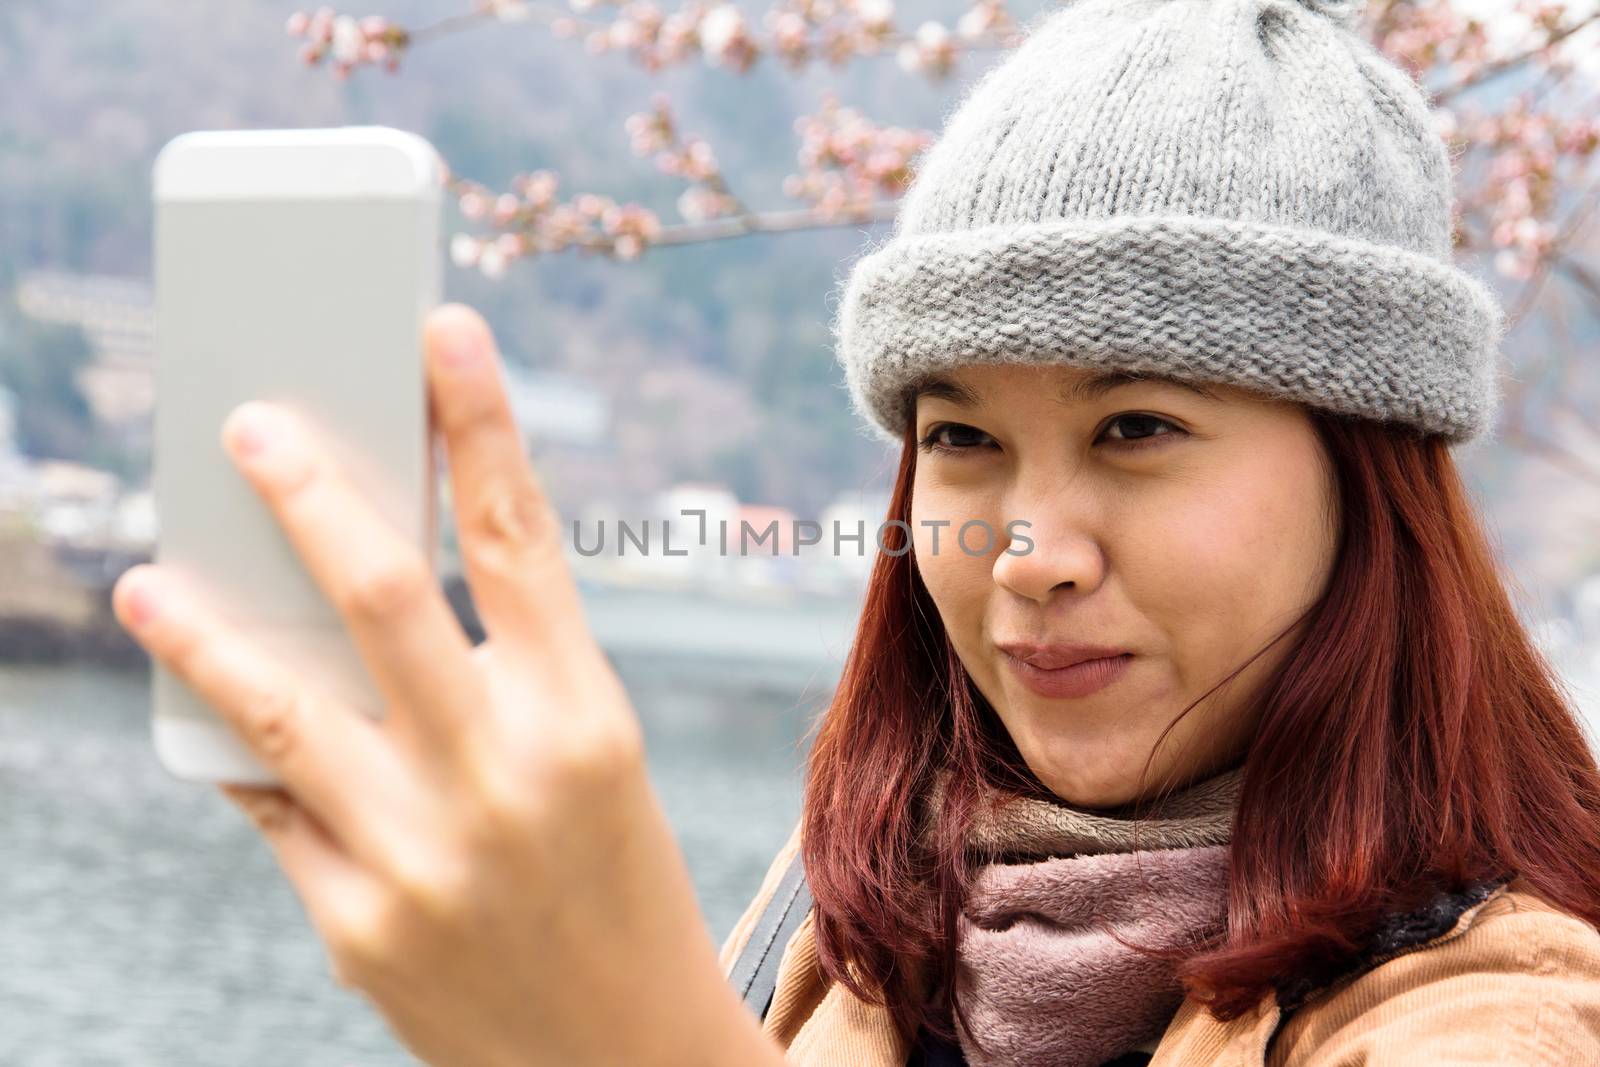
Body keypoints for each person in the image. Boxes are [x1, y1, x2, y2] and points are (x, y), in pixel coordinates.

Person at [110, 0, 1600, 1066]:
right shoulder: (861, 897)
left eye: (1136, 429)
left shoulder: (1497, 1008)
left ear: (1370, 479)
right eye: (960, 439)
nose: (1028, 550)